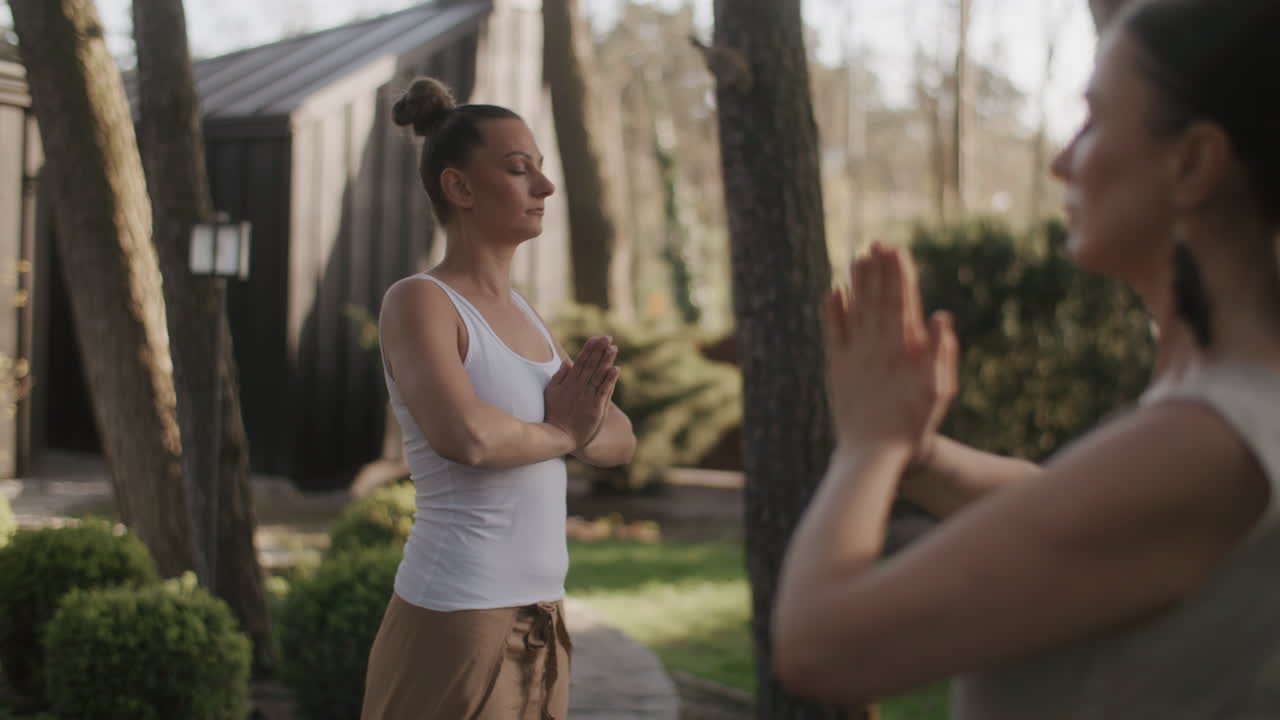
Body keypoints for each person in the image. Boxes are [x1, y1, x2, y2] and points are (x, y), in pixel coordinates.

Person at [772, 0, 1280, 717]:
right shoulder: (1232, 412)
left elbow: (819, 647)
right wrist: (921, 456)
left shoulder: (1210, 439)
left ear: (1194, 162)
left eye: (1095, 119)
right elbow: (1075, 513)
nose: (1061, 160)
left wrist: (869, 446)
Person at [360, 77, 636, 720]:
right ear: (458, 187)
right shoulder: (421, 301)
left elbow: (618, 439)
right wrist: (566, 434)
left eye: (541, 169)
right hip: (457, 620)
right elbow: (470, 436)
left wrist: (569, 429)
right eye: (519, 170)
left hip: (543, 618)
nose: (544, 187)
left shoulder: (526, 316)